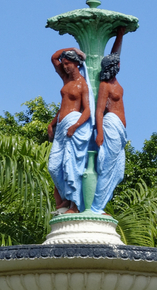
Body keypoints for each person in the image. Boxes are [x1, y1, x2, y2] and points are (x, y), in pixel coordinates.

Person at [47, 47, 94, 214]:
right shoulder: (65, 79)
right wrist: (53, 123)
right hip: (61, 125)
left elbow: (88, 110)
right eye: (64, 63)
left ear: (76, 63)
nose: (65, 66)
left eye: (68, 63)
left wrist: (76, 126)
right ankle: (65, 198)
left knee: (70, 165)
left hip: (73, 124)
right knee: (53, 167)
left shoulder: (83, 85)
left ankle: (73, 204)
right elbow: (53, 57)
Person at [89, 27, 129, 214]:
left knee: (118, 171)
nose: (120, 64)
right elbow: (99, 110)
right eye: (117, 63)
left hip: (119, 130)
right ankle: (97, 207)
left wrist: (120, 36)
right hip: (110, 127)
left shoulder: (115, 82)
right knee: (106, 167)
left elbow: (115, 54)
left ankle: (100, 204)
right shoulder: (105, 85)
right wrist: (99, 133)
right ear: (113, 67)